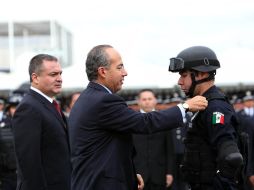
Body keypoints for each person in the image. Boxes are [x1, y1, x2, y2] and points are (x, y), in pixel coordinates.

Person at [68, 44, 208, 190]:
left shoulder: (88, 98)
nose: (125, 72)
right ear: (103, 71)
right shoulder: (103, 101)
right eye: (119, 67)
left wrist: (128, 174)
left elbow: (105, 150)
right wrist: (184, 107)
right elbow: (144, 122)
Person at [169, 46, 243, 190]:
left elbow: (230, 155)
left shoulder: (216, 107)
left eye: (184, 75)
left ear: (201, 74)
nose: (179, 81)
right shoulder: (203, 103)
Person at [12, 54, 71, 190]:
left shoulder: (48, 104)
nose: (59, 79)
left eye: (60, 74)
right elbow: (29, 163)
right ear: (35, 78)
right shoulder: (29, 108)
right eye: (53, 74)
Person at [132, 89, 174, 190]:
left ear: (155, 100)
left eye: (150, 99)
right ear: (138, 102)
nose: (147, 101)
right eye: (144, 99)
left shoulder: (164, 120)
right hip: (138, 175)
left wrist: (170, 173)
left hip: (159, 174)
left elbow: (169, 150)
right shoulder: (132, 121)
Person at [0, 92, 24, 190]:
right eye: (13, 107)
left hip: (27, 176)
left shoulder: (32, 125)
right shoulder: (2, 128)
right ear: (9, 109)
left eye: (19, 106)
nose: (16, 110)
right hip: (8, 176)